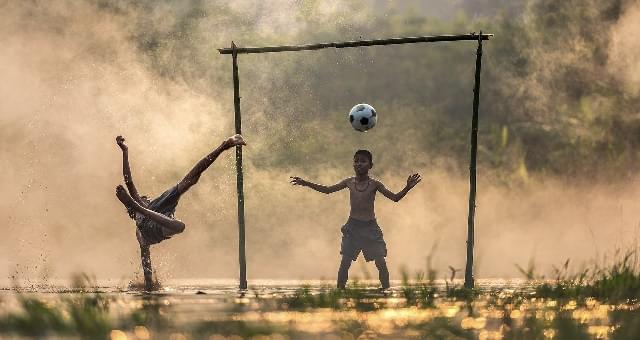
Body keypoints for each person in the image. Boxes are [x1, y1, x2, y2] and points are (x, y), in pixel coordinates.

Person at [115, 134, 246, 290]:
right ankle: (224, 146)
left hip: (158, 213)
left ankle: (225, 145)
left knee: (190, 180)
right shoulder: (139, 226)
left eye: (144, 199)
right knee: (179, 225)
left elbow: (129, 181)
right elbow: (146, 261)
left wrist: (125, 151)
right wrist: (148, 283)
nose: (146, 198)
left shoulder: (152, 205)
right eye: (143, 199)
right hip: (153, 226)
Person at [290, 150, 421, 289]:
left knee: (380, 262)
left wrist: (407, 187)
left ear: (370, 165)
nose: (359, 164)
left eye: (363, 161)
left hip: (370, 228)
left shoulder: (375, 184)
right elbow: (328, 190)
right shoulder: (349, 182)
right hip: (353, 228)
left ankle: (386, 290)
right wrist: (306, 183)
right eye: (356, 161)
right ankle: (339, 292)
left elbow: (395, 198)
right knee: (345, 262)